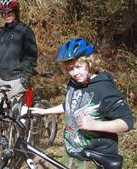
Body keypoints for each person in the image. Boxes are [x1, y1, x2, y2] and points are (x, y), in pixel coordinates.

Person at [30, 38, 134, 168]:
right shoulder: (73, 83)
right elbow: (70, 105)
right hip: (72, 152)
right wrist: (45, 111)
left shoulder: (104, 89)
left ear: (90, 63)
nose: (75, 73)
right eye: (70, 68)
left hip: (94, 158)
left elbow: (127, 122)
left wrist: (95, 125)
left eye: (79, 66)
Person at [0, 0, 38, 116]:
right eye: (3, 13)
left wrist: (26, 74)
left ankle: (24, 133)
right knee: (2, 114)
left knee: (15, 116)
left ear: (16, 12)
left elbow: (32, 55)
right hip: (0, 77)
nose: (6, 15)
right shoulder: (2, 32)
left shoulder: (25, 31)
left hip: (16, 78)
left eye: (10, 12)